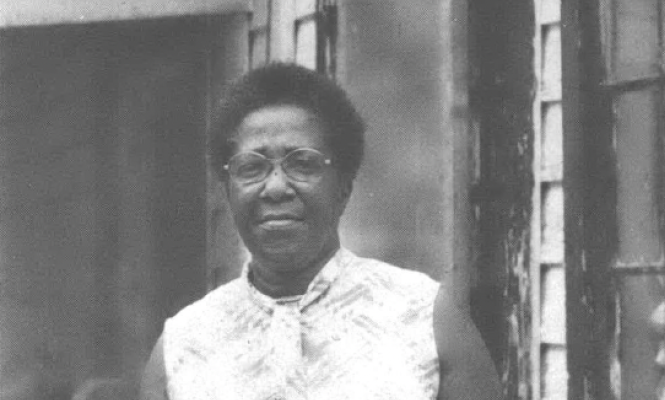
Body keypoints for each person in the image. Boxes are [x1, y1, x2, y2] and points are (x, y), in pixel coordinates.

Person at [140, 63, 501, 400]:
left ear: (343, 184)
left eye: (303, 163)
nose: (276, 188)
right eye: (251, 167)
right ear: (228, 188)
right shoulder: (182, 347)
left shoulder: (424, 319)